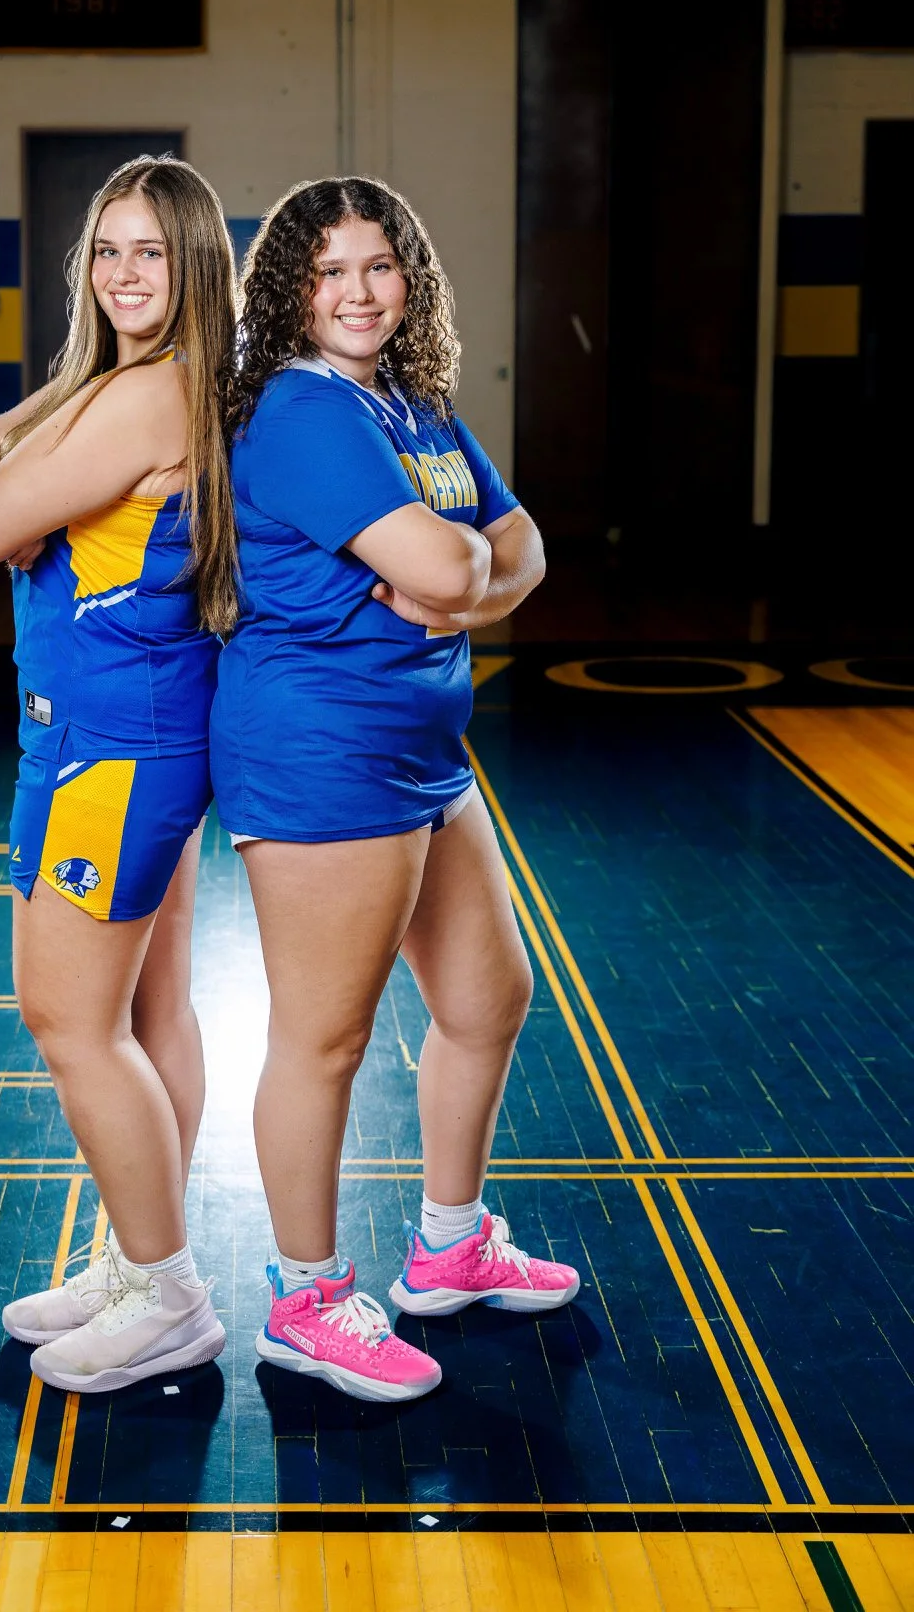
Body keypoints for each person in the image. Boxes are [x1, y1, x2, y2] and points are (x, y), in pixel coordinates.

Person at [212, 175, 580, 1404]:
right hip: (321, 752)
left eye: (379, 266)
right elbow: (457, 552)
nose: (359, 292)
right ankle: (308, 1299)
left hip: (425, 746)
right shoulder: (304, 409)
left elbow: (520, 544)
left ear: (407, 278)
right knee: (326, 1039)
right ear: (289, 290)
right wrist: (458, 566)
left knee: (486, 999)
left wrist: (455, 577)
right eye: (329, 272)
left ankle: (450, 1243)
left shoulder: (409, 403)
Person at [0, 156, 239, 1394]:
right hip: (113, 734)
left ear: (195, 265)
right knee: (146, 1012)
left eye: (152, 250)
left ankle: (166, 1290)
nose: (125, 273)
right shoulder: (119, 382)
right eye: (107, 249)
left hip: (111, 748)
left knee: (69, 1021)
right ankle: (135, 1253)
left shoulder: (144, 397)